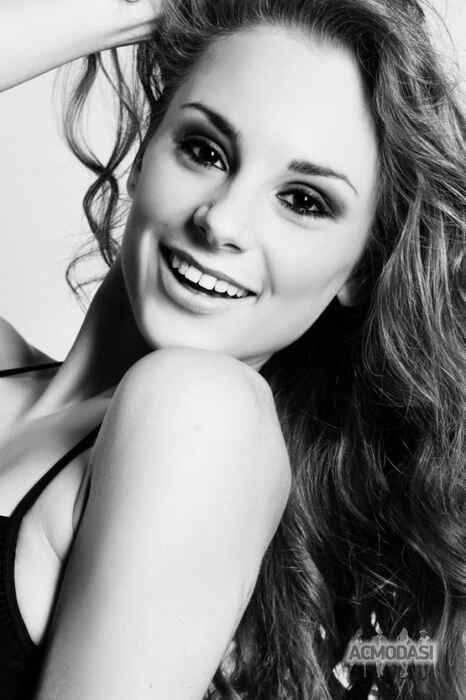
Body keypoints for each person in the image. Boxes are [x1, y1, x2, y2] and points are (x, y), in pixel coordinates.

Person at [0, 0, 464, 697]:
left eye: (303, 201)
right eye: (205, 150)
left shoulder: (201, 415)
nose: (221, 221)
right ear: (146, 150)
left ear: (362, 270)